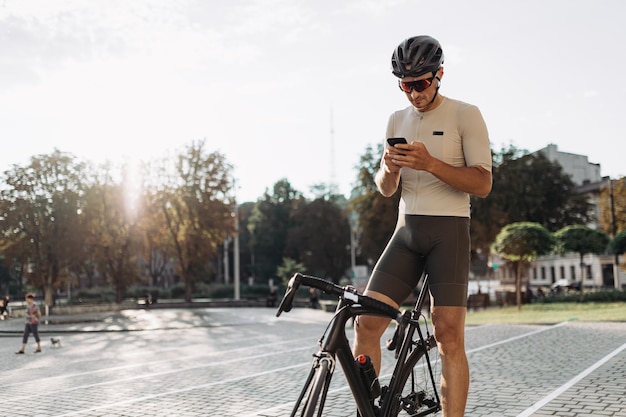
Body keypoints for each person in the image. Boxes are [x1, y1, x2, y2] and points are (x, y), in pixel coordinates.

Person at [353, 35, 492, 417]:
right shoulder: (396, 120)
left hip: (449, 233)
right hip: (406, 233)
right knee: (365, 325)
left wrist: (431, 163)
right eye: (405, 85)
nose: (413, 93)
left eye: (421, 83)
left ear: (440, 75)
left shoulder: (466, 114)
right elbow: (385, 190)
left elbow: (482, 183)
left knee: (448, 334)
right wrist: (388, 166)